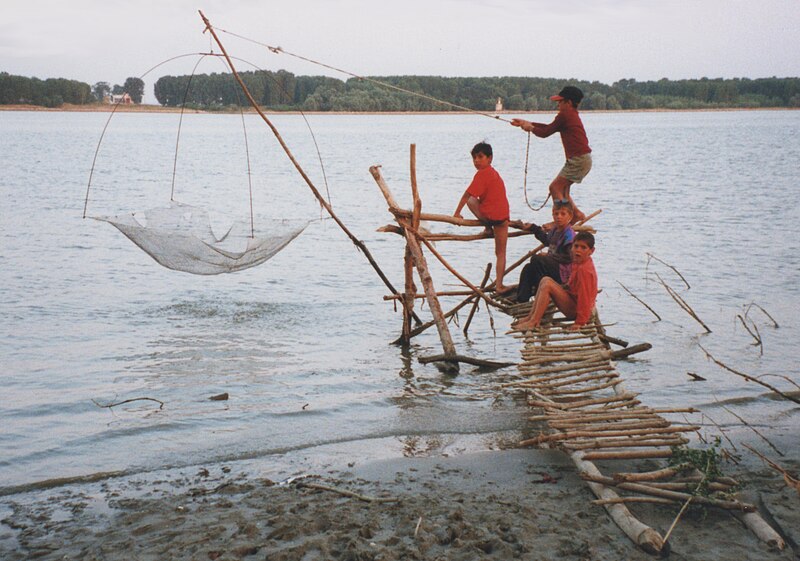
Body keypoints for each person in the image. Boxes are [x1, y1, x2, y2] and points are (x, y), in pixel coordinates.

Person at [510, 86, 592, 222]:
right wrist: (527, 123)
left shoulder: (565, 115)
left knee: (555, 187)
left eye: (560, 102)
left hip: (579, 159)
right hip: (582, 159)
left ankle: (562, 218)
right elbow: (550, 127)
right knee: (563, 191)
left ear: (569, 103)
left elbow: (545, 132)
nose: (558, 104)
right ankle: (576, 214)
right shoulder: (569, 115)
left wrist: (530, 127)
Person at [454, 142, 511, 293]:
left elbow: (467, 195)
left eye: (480, 157)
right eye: (474, 158)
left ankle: (487, 228)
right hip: (503, 218)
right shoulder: (494, 173)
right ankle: (499, 285)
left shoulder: (482, 173)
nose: (477, 161)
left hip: (491, 216)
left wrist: (456, 213)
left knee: (471, 200)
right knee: (501, 253)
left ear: (489, 158)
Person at [514, 232, 597, 332]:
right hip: (572, 300)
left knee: (548, 285)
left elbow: (585, 298)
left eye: (583, 248)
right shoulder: (578, 262)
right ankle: (531, 317)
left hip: (575, 310)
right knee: (545, 279)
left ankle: (534, 322)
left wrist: (579, 322)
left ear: (591, 251)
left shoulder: (585, 270)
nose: (578, 250)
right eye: (576, 246)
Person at [516, 200, 575, 303]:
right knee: (528, 268)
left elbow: (568, 258)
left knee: (537, 259)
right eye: (556, 214)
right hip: (550, 268)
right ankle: (521, 300)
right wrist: (534, 228)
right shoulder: (555, 230)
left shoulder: (569, 234)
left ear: (569, 216)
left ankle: (542, 296)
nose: (559, 217)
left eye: (562, 214)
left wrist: (549, 257)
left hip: (562, 273)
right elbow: (547, 240)